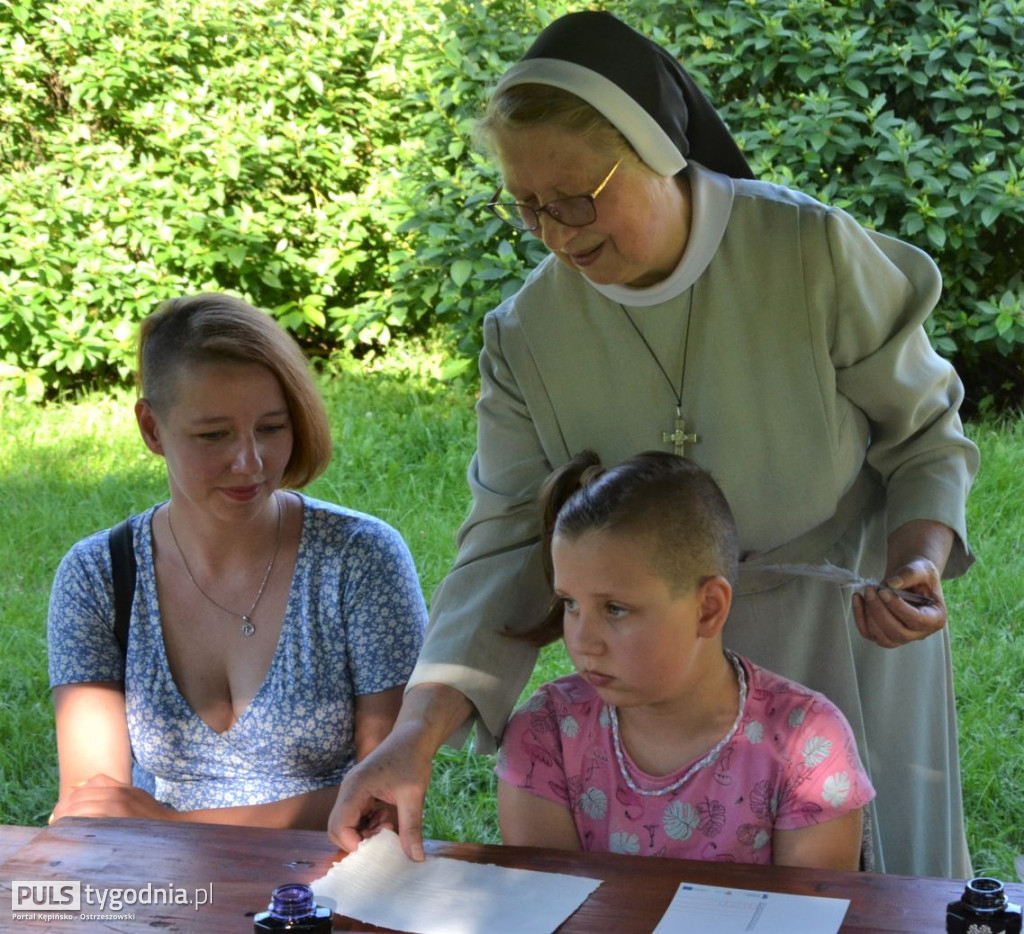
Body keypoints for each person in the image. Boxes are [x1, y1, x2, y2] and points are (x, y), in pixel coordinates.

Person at [329, 11, 978, 877]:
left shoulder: (807, 251)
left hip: (844, 643)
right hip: (654, 684)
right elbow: (505, 543)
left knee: (866, 894)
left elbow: (926, 434)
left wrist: (918, 563)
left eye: (576, 198)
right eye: (527, 207)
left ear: (656, 150)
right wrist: (415, 735)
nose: (557, 233)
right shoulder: (527, 334)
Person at [48, 293, 427, 829]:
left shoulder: (360, 558)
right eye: (213, 435)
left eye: (272, 428)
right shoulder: (97, 577)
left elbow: (385, 802)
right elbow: (93, 809)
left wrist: (175, 825)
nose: (250, 461)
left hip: (333, 885)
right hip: (163, 891)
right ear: (151, 429)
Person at [496, 451, 875, 868]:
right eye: (570, 604)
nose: (584, 641)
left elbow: (810, 918)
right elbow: (545, 908)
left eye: (615, 609)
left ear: (708, 609)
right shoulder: (546, 735)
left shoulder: (808, 749)